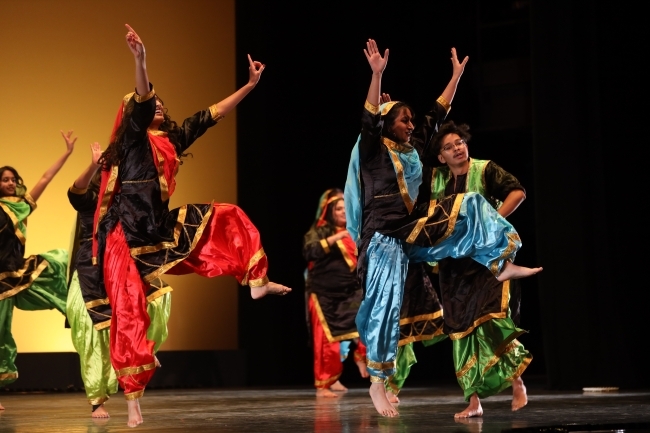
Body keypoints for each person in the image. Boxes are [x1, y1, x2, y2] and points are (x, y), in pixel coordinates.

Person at [93, 25, 290, 427]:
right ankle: (132, 402)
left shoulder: (173, 140)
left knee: (228, 215)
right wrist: (140, 60)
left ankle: (256, 282)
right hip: (125, 239)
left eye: (162, 103)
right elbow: (143, 99)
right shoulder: (133, 139)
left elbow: (211, 115)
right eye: (152, 104)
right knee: (130, 316)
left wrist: (250, 86)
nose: (158, 106)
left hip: (160, 230)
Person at [345, 39, 541, 417]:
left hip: (411, 233)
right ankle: (377, 382)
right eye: (404, 119)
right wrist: (376, 75)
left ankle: (501, 261)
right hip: (383, 239)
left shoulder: (413, 147)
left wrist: (455, 77)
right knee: (385, 309)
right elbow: (370, 117)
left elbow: (436, 112)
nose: (411, 124)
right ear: (388, 122)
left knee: (470, 204)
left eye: (410, 120)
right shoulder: (373, 149)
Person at [66, 142, 173, 418]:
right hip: (92, 270)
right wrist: (93, 164)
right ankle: (97, 400)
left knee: (158, 297)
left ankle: (144, 349)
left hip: (123, 265)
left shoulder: (128, 198)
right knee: (92, 334)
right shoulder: (92, 198)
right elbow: (75, 192)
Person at [0, 131, 76, 411]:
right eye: (4, 179)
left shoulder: (20, 206)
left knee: (59, 261)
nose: (10, 183)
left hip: (15, 276)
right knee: (0, 334)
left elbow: (44, 179)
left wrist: (67, 153)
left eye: (13, 179)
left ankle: (81, 306)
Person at [303, 189, 368, 398]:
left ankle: (362, 359)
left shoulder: (355, 231)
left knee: (366, 325)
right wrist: (336, 237)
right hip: (324, 294)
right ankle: (325, 383)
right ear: (330, 211)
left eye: (345, 208)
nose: (343, 212)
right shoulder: (321, 230)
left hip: (351, 292)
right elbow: (309, 251)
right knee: (327, 342)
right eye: (338, 208)